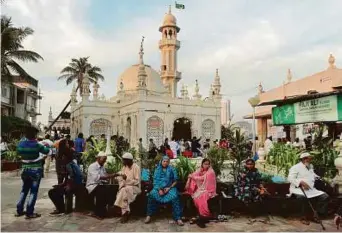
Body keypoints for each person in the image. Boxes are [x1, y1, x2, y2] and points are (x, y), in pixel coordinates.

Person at [16, 126, 51, 219]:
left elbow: (18, 153)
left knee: (24, 190)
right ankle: (29, 212)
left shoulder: (21, 144)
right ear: (34, 134)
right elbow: (47, 151)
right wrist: (46, 146)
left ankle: (19, 210)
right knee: (33, 192)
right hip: (35, 170)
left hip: (24, 169)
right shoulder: (37, 144)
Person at [287, 152, 329, 225]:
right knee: (303, 198)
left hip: (311, 190)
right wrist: (301, 182)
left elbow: (312, 175)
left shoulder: (310, 166)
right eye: (309, 159)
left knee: (324, 196)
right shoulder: (295, 167)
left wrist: (319, 178)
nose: (310, 160)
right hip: (298, 189)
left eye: (310, 159)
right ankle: (303, 217)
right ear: (304, 159)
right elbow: (290, 178)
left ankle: (316, 214)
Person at [145, 156, 184, 226]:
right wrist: (159, 189)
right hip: (158, 188)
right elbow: (155, 181)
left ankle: (178, 218)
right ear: (161, 161)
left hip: (170, 188)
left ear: (169, 162)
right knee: (151, 194)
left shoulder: (172, 169)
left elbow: (175, 181)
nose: (165, 163)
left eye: (167, 161)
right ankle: (149, 215)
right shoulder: (157, 169)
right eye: (164, 161)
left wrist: (169, 187)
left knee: (175, 196)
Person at [185, 159, 217, 228]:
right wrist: (189, 178)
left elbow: (202, 178)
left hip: (209, 190)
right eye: (205, 164)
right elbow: (193, 174)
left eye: (208, 164)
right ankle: (201, 217)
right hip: (202, 189)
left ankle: (204, 216)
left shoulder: (210, 171)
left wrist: (192, 177)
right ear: (202, 164)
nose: (207, 165)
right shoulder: (201, 169)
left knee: (202, 197)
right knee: (197, 197)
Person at [86, 151, 116, 219]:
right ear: (98, 158)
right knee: (102, 191)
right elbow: (97, 178)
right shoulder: (92, 166)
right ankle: (98, 213)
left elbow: (105, 176)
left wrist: (109, 178)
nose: (104, 161)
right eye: (103, 159)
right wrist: (111, 176)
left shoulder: (102, 167)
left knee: (110, 190)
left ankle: (103, 211)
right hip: (92, 186)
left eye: (105, 160)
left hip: (100, 185)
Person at [114, 152, 141, 223]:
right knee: (124, 191)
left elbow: (137, 182)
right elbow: (121, 177)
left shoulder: (136, 167)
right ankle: (125, 213)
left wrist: (126, 179)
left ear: (129, 160)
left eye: (124, 160)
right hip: (126, 188)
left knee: (124, 190)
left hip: (135, 188)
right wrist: (118, 177)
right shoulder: (125, 167)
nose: (123, 162)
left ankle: (118, 206)